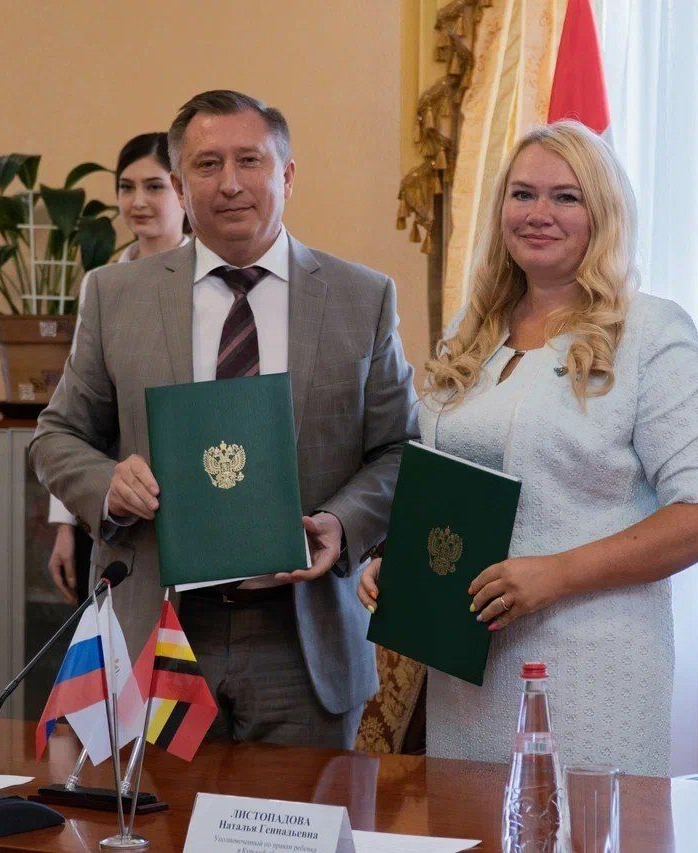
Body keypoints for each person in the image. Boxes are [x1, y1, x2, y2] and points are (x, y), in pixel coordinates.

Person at [31, 89, 419, 748]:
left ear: (287, 176)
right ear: (181, 186)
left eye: (250, 161)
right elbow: (56, 436)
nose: (230, 183)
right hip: (160, 631)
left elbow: (399, 450)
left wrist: (342, 522)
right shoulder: (116, 295)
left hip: (305, 638)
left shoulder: (362, 298)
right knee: (158, 814)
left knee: (305, 814)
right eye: (207, 165)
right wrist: (107, 484)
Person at [358, 121, 698, 776]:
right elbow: (452, 484)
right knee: (469, 825)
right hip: (466, 671)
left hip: (590, 666)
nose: (539, 213)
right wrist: (399, 560)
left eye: (566, 197)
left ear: (603, 214)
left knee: (573, 825)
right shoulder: (474, 330)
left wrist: (555, 573)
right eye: (522, 194)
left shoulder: (650, 332)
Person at [46, 131, 189, 605]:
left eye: (154, 186)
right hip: (113, 502)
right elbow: (77, 414)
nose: (137, 201)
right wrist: (65, 525)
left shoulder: (212, 278)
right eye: (126, 187)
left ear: (182, 191)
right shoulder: (103, 284)